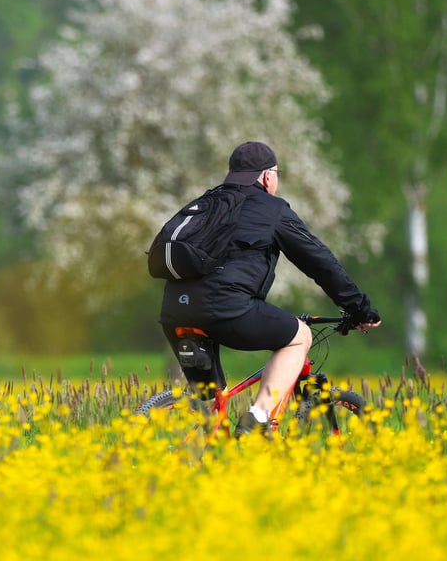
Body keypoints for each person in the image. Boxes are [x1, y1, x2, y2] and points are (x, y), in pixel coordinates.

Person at [159, 141, 381, 437]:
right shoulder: (272, 209)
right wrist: (359, 308)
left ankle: (206, 461)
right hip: (226, 310)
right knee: (299, 335)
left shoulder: (206, 203)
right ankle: (258, 418)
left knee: (213, 405)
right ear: (266, 176)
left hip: (175, 312)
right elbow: (321, 262)